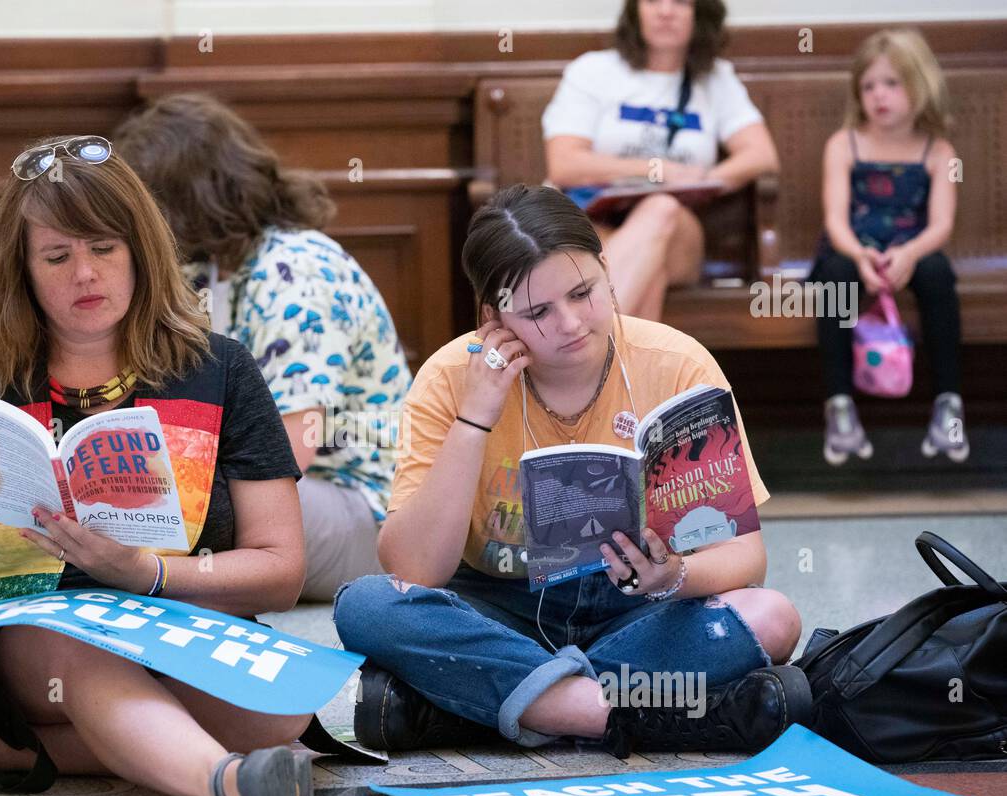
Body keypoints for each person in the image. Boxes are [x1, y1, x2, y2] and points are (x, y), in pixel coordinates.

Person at [0, 135, 315, 796]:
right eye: (57, 256)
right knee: (81, 642)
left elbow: (280, 571)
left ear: (140, 250)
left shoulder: (220, 370)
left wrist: (144, 572)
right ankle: (226, 785)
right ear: (24, 271)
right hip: (25, 638)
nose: (85, 274)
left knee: (282, 716)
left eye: (104, 247)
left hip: (172, 624)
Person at [333, 184, 808, 756]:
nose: (571, 323)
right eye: (537, 312)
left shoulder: (679, 364)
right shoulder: (448, 379)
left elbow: (746, 558)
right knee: (366, 605)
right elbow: (414, 568)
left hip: (636, 610)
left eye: (583, 292)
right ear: (493, 317)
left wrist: (674, 575)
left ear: (606, 271)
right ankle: (617, 713)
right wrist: (477, 416)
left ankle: (487, 703)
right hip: (500, 610)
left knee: (773, 616)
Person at [114, 93, 412, 602]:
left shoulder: (292, 269)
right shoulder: (205, 272)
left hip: (364, 507)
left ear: (184, 202)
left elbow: (290, 453)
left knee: (182, 514)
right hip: (284, 492)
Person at [542, 0, 779, 322]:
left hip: (678, 233)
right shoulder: (594, 71)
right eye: (653, 0)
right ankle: (621, 367)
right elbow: (564, 164)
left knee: (661, 209)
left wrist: (704, 178)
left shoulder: (715, 79)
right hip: (592, 227)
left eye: (680, 2)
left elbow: (762, 155)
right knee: (649, 272)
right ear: (635, 10)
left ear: (700, 14)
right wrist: (658, 170)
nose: (665, 11)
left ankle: (582, 337)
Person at [809, 29, 965, 465]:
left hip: (911, 251)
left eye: (892, 83)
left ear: (921, 85)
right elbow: (836, 219)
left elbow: (943, 223)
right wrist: (859, 254)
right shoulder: (843, 145)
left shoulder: (942, 153)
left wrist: (911, 253)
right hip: (852, 251)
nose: (879, 95)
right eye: (869, 86)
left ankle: (948, 406)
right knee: (834, 277)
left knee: (938, 274)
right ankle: (839, 408)